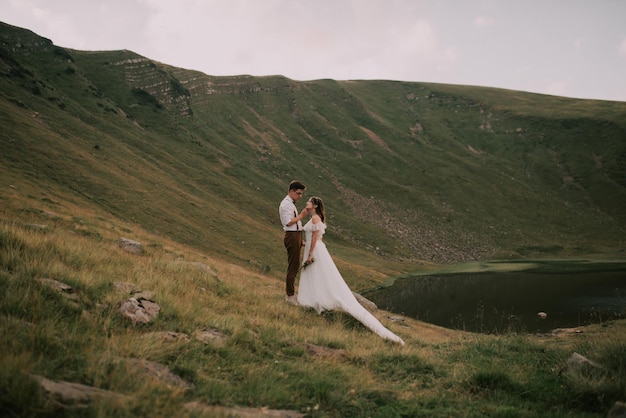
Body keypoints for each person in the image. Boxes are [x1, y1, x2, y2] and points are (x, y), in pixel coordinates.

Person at [297, 197, 405, 345]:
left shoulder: (315, 218)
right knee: (317, 275)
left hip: (315, 250)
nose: (307, 203)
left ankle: (316, 299)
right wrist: (304, 243)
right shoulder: (314, 217)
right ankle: (313, 297)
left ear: (314, 205)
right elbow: (312, 238)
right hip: (313, 248)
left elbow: (315, 238)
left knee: (318, 274)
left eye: (309, 201)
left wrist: (310, 254)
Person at [278, 180, 308, 305]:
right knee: (293, 266)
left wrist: (300, 240)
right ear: (291, 191)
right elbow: (288, 222)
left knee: (295, 265)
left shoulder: (291, 203)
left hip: (296, 235)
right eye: (298, 193)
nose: (300, 196)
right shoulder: (285, 204)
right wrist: (301, 215)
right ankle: (290, 295)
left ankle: (291, 293)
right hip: (292, 236)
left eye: (301, 194)